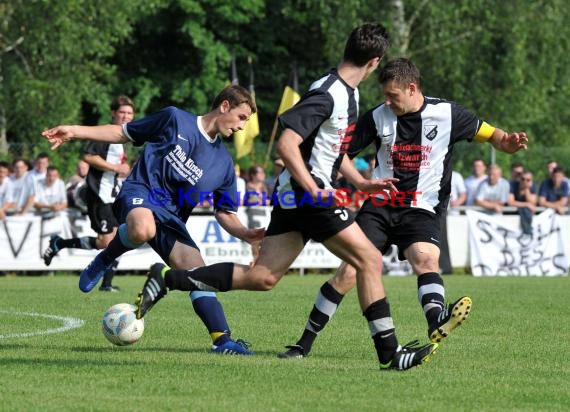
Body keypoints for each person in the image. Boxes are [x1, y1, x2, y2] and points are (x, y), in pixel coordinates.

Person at [135, 24, 440, 371]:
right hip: (307, 195)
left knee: (263, 277)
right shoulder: (328, 93)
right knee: (369, 259)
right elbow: (286, 143)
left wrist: (361, 182)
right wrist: (313, 188)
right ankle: (390, 353)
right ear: (375, 61)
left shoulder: (349, 96)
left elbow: (331, 150)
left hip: (296, 196)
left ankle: (168, 279)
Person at [272, 57, 528, 360]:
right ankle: (303, 344)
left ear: (412, 88)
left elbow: (492, 134)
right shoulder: (376, 117)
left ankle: (436, 320)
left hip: (422, 207)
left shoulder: (449, 114)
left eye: (393, 95)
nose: (387, 101)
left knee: (425, 258)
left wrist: (506, 143)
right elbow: (340, 153)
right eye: (384, 95)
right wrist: (347, 181)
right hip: (380, 207)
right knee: (348, 273)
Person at [42, 85, 264, 355]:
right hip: (141, 192)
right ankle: (105, 258)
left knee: (198, 274)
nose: (242, 127)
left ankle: (222, 340)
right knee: (142, 228)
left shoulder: (224, 164)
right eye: (242, 117)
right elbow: (123, 133)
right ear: (225, 106)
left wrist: (246, 233)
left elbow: (225, 213)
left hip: (172, 219)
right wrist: (75, 131)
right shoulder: (174, 118)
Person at [43, 96, 133, 292]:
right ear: (113, 113)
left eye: (129, 113)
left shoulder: (122, 138)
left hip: (112, 195)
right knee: (106, 242)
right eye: (122, 112)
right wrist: (116, 167)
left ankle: (106, 284)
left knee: (118, 239)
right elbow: (88, 156)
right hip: (99, 195)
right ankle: (60, 243)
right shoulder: (105, 134)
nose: (126, 116)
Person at [508, 170, 536, 235]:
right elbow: (510, 202)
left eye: (528, 180)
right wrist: (526, 204)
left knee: (526, 210)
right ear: (519, 179)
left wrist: (526, 189)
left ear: (531, 181)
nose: (525, 181)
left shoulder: (533, 187)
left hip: (525, 212)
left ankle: (527, 231)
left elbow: (532, 202)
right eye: (523, 179)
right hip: (511, 213)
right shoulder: (512, 185)